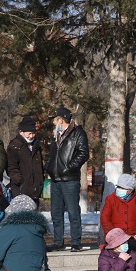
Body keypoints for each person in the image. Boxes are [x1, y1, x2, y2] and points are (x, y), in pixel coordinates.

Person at [46, 106, 89, 252]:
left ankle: (76, 241)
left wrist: (69, 167)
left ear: (61, 119)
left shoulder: (78, 133)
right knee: (56, 213)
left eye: (54, 119)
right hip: (56, 179)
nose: (53, 122)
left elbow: (83, 153)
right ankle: (58, 241)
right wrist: (50, 168)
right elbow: (53, 156)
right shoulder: (56, 135)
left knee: (73, 212)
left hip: (70, 179)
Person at [7, 116, 44, 207]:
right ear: (21, 132)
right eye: (29, 133)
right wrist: (19, 181)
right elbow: (11, 167)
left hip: (35, 189)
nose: (31, 136)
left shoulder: (36, 146)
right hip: (21, 189)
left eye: (33, 133)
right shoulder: (15, 146)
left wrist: (39, 182)